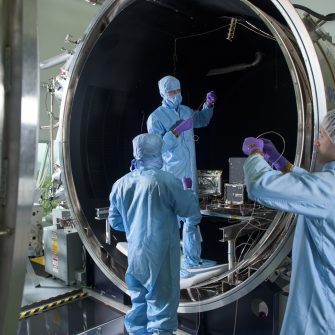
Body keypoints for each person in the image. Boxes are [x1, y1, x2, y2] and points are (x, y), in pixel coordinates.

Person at [241, 110, 335, 335]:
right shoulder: (326, 187)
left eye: (322, 135)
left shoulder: (328, 191)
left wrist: (254, 155)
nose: (316, 141)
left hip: (317, 315)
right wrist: (279, 162)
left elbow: (260, 186)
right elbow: (310, 186)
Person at [108, 133, 201, 335]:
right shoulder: (166, 181)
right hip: (159, 261)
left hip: (136, 258)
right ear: (158, 153)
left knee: (139, 309)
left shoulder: (120, 184)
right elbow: (190, 211)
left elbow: (115, 222)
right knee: (162, 316)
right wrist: (189, 191)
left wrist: (137, 226)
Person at [147, 75, 217, 273]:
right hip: (171, 175)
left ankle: (192, 260)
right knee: (170, 221)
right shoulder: (156, 117)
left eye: (178, 91)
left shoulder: (186, 111)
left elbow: (202, 121)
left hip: (188, 175)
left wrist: (208, 106)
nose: (176, 95)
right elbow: (154, 148)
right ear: (163, 93)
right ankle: (165, 264)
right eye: (171, 92)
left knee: (191, 217)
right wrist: (175, 132)